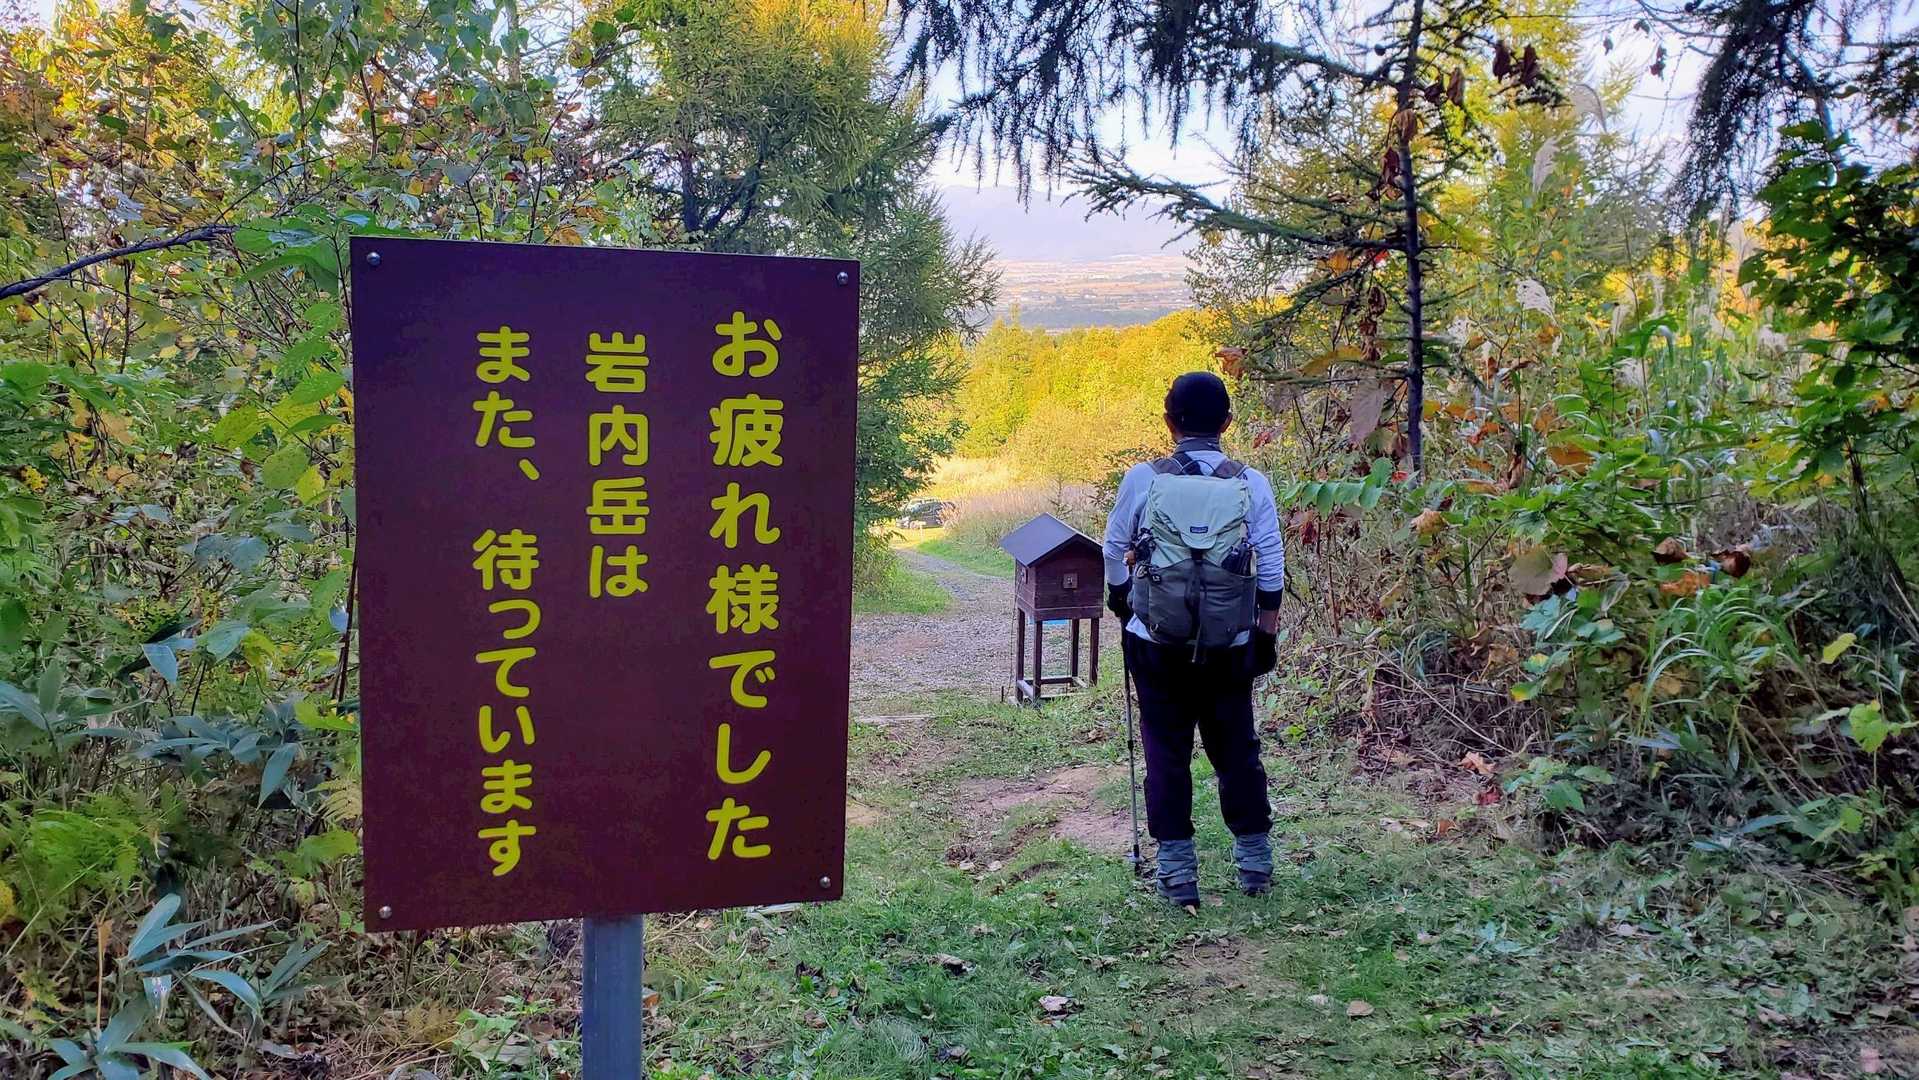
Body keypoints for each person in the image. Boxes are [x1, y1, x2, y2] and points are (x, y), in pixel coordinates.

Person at [1103, 371, 1285, 906]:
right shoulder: (1250, 482)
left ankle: (1178, 875)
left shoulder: (1144, 478)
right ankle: (1255, 864)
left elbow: (1113, 548)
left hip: (1156, 641)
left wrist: (1124, 599)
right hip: (1231, 641)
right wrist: (1265, 634)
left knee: (1165, 752)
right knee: (1237, 749)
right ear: (1226, 423)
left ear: (1170, 422)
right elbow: (1271, 564)